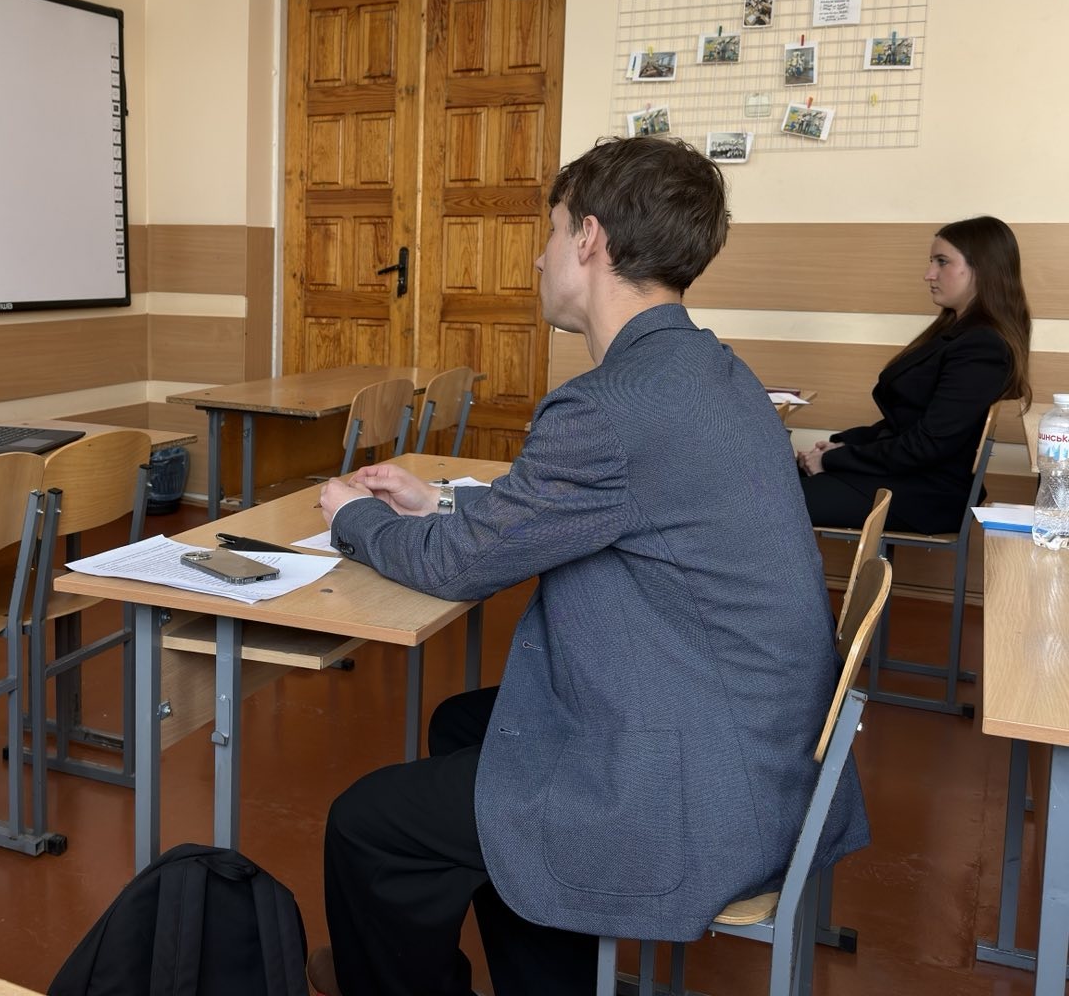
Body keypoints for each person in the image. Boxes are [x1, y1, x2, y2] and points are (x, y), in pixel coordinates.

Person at [308, 135, 869, 996]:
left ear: (590, 238)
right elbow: (585, 513)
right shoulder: (712, 371)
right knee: (463, 724)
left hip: (693, 784)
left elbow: (462, 568)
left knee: (367, 825)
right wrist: (440, 503)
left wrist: (353, 519)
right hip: (758, 746)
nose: (539, 257)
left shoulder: (610, 405)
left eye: (552, 230)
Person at [797, 216, 1032, 533]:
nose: (928, 274)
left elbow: (927, 445)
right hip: (906, 479)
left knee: (763, 501)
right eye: (931, 262)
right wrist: (842, 446)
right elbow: (905, 422)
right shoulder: (958, 333)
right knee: (768, 481)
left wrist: (834, 460)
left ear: (982, 268)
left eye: (942, 262)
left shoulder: (981, 346)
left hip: (926, 495)